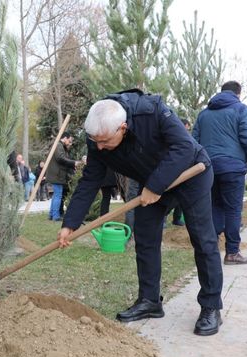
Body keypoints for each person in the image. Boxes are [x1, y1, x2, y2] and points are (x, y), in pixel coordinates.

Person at [58, 90, 223, 336]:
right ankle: (150, 301)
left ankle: (211, 307)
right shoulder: (98, 138)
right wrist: (70, 223)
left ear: (123, 128)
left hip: (191, 173)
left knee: (202, 238)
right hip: (150, 182)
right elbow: (89, 180)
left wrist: (155, 186)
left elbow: (184, 147)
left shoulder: (152, 110)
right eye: (95, 142)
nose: (99, 148)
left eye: (104, 141)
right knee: (145, 239)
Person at [192, 81, 247, 265]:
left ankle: (209, 252)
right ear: (238, 93)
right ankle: (232, 253)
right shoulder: (242, 110)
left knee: (214, 207)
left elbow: (193, 141)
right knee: (233, 209)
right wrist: (245, 156)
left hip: (207, 168)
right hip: (232, 166)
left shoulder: (204, 114)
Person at [47, 132, 80, 221]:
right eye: (69, 140)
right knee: (58, 195)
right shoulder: (58, 145)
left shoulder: (60, 146)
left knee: (56, 195)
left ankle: (51, 214)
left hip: (57, 174)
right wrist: (74, 163)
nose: (69, 143)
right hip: (57, 174)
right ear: (65, 138)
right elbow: (60, 158)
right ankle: (56, 216)